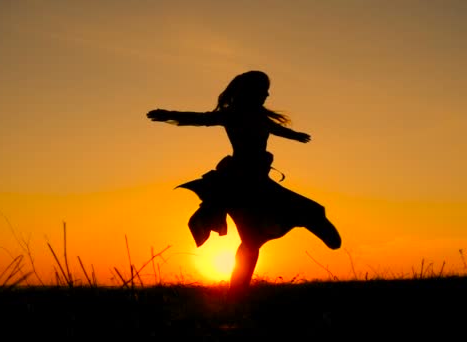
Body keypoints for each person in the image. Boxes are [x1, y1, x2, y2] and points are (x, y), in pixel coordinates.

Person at [146, 70, 341, 295]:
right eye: (263, 90)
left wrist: (294, 135)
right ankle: (236, 294)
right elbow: (200, 118)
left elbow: (275, 129)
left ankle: (236, 293)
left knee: (264, 235)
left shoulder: (259, 116)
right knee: (253, 240)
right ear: (250, 92)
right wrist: (169, 114)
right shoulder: (232, 114)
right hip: (240, 184)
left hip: (258, 181)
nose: (267, 94)